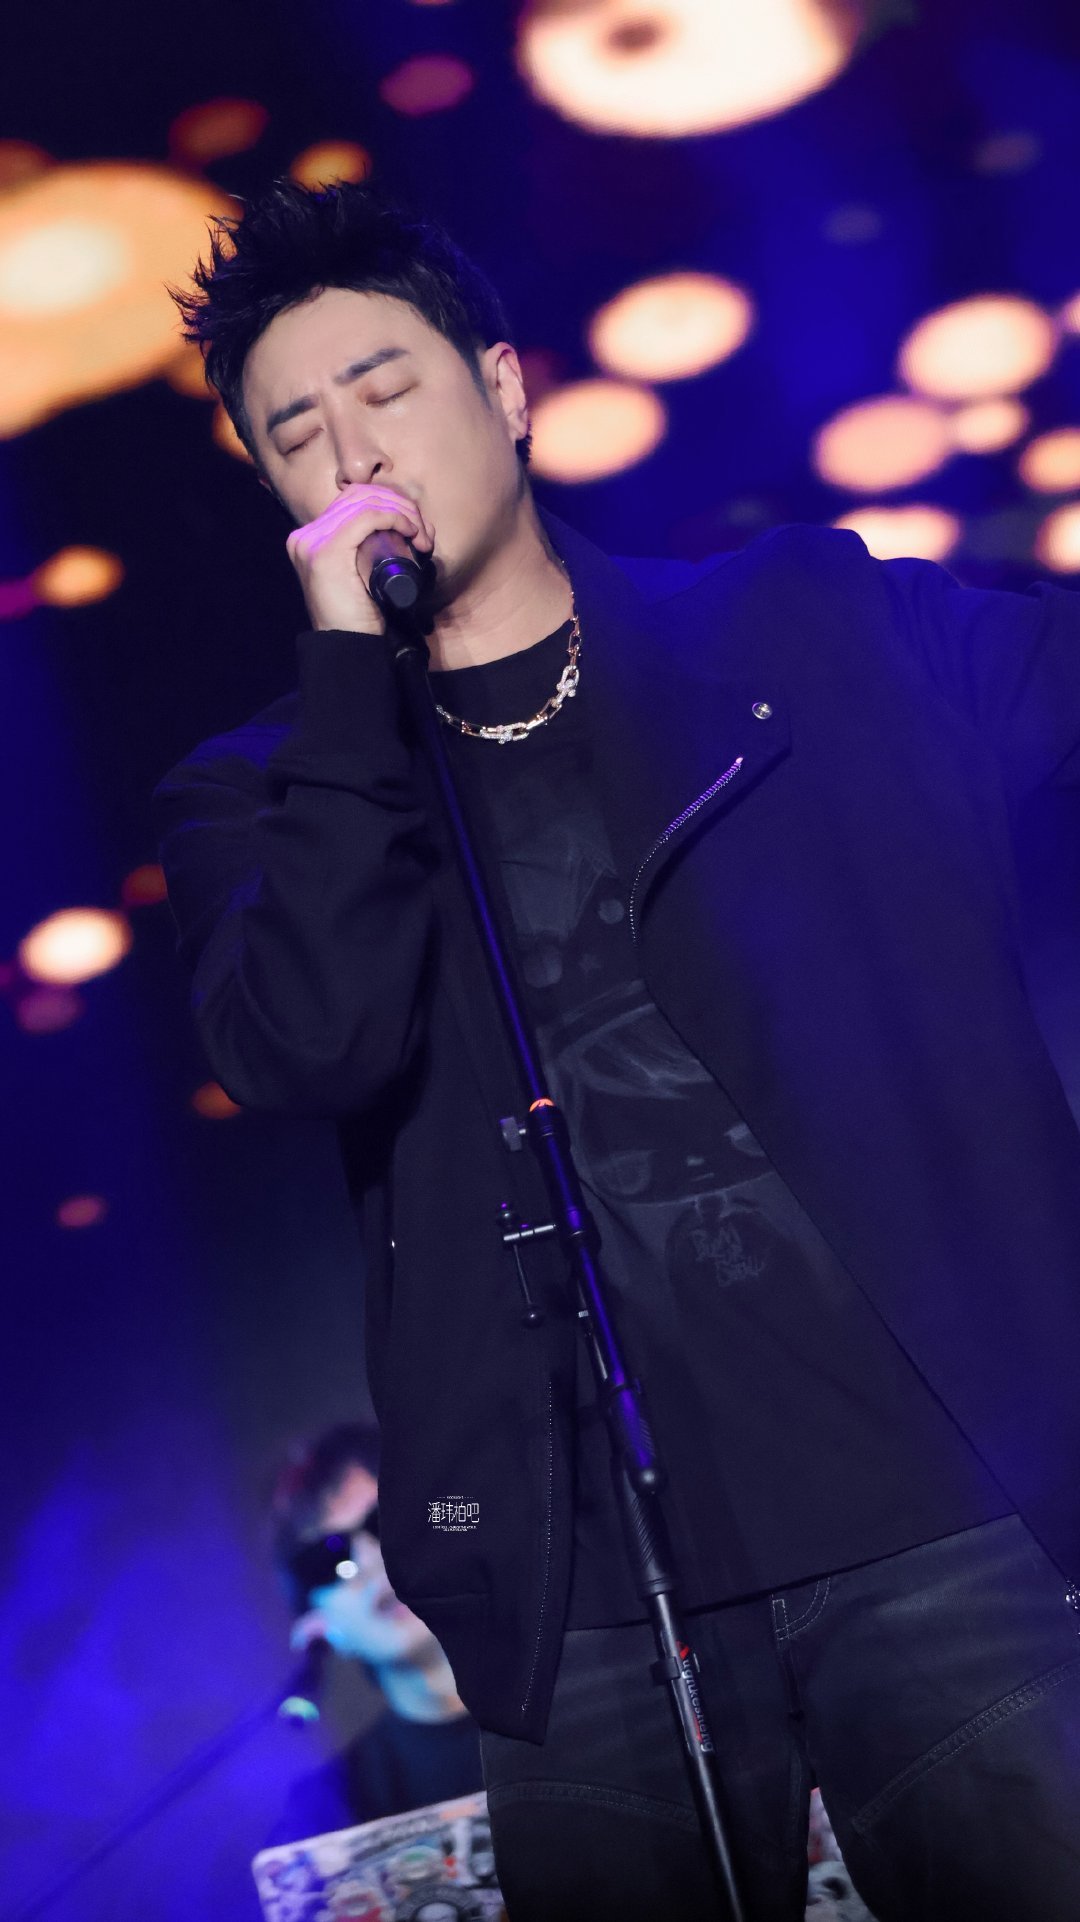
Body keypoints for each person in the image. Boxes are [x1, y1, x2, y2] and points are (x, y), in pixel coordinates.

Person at [157, 178, 1080, 1921]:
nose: (355, 451)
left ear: (504, 388)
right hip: (582, 1596)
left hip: (930, 1515)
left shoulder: (801, 633)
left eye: (385, 387)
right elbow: (304, 1039)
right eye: (297, 433)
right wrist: (351, 694)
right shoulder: (268, 795)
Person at [268, 1421, 484, 1844]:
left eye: (386, 1522)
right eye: (330, 1559)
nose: (370, 1561)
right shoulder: (328, 1817)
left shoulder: (597, 1691)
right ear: (316, 1627)